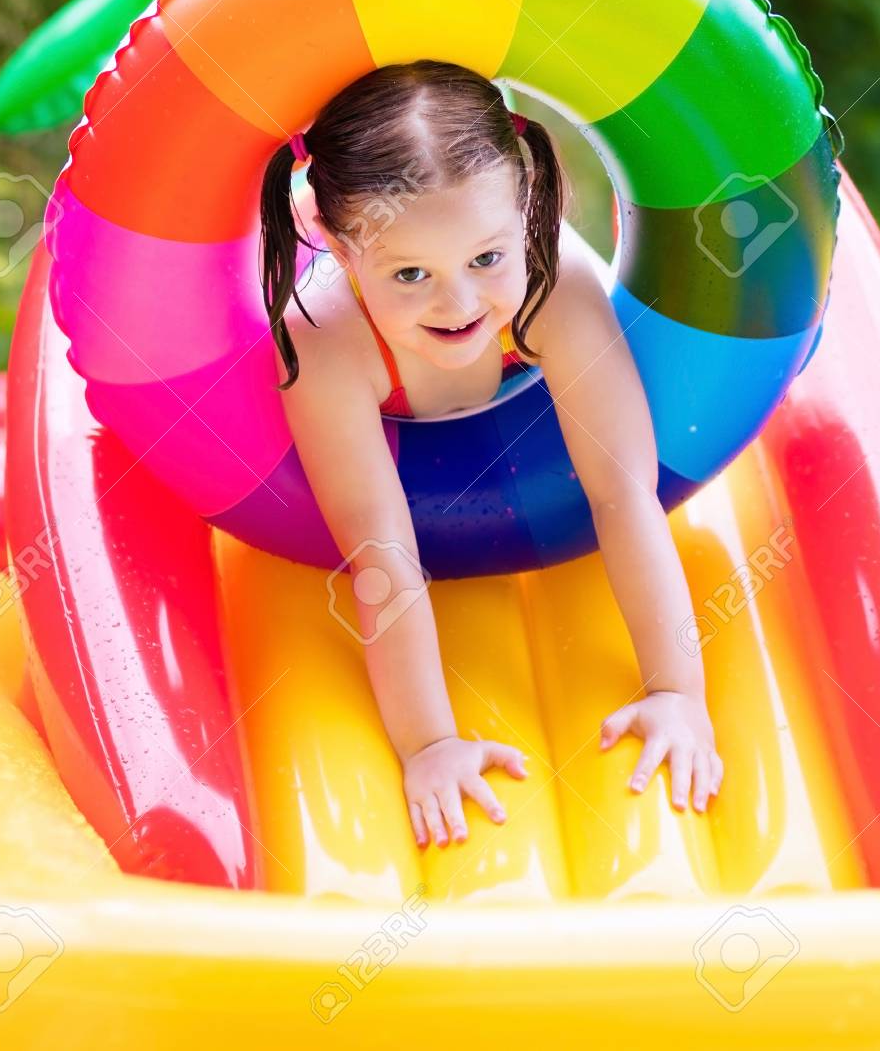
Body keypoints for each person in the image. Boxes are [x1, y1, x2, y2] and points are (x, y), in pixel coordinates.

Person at [259, 59, 723, 851]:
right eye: (411, 274)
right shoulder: (325, 341)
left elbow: (623, 492)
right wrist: (429, 745)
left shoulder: (552, 284)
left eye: (485, 259)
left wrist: (678, 692)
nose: (460, 303)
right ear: (339, 245)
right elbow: (380, 552)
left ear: (527, 206)